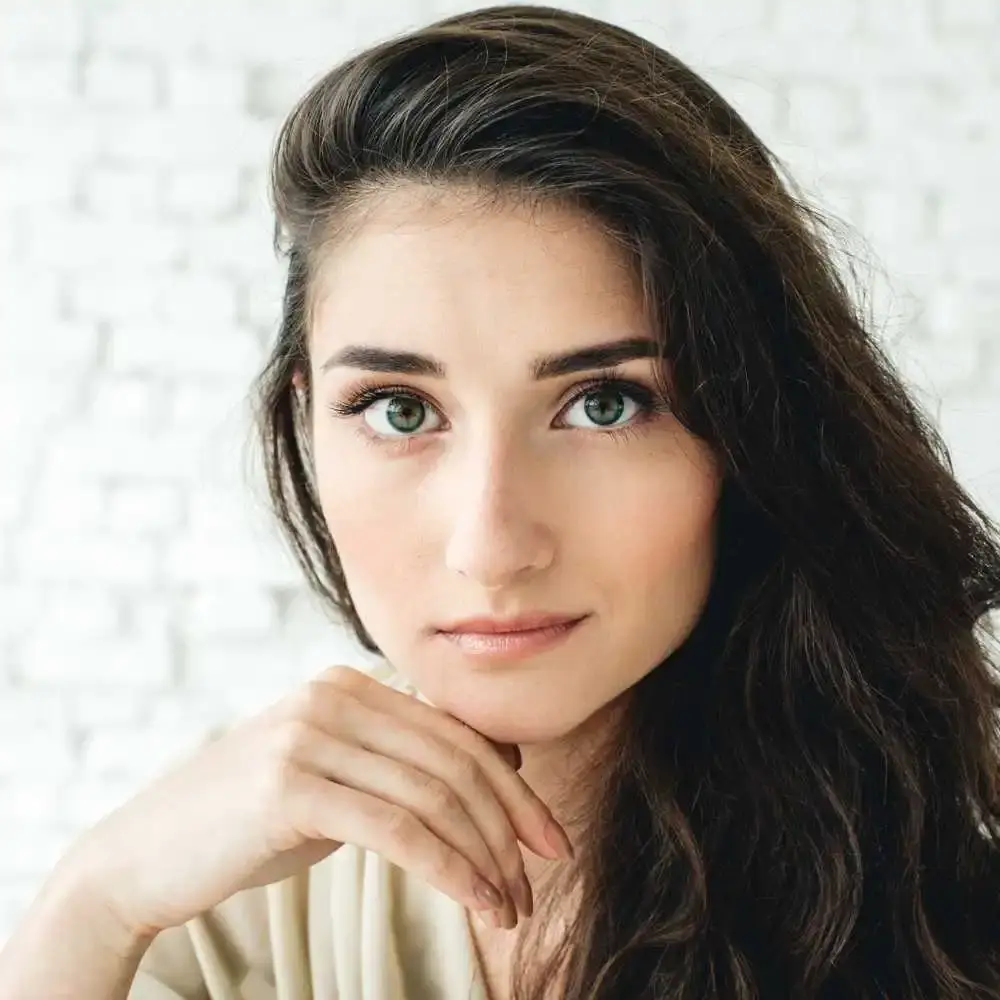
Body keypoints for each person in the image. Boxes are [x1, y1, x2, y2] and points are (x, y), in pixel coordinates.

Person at [3, 3, 1000, 999]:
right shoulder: (242, 882)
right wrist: (93, 899)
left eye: (603, 404)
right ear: (307, 421)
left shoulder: (939, 890)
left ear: (746, 429)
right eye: (397, 409)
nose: (490, 545)